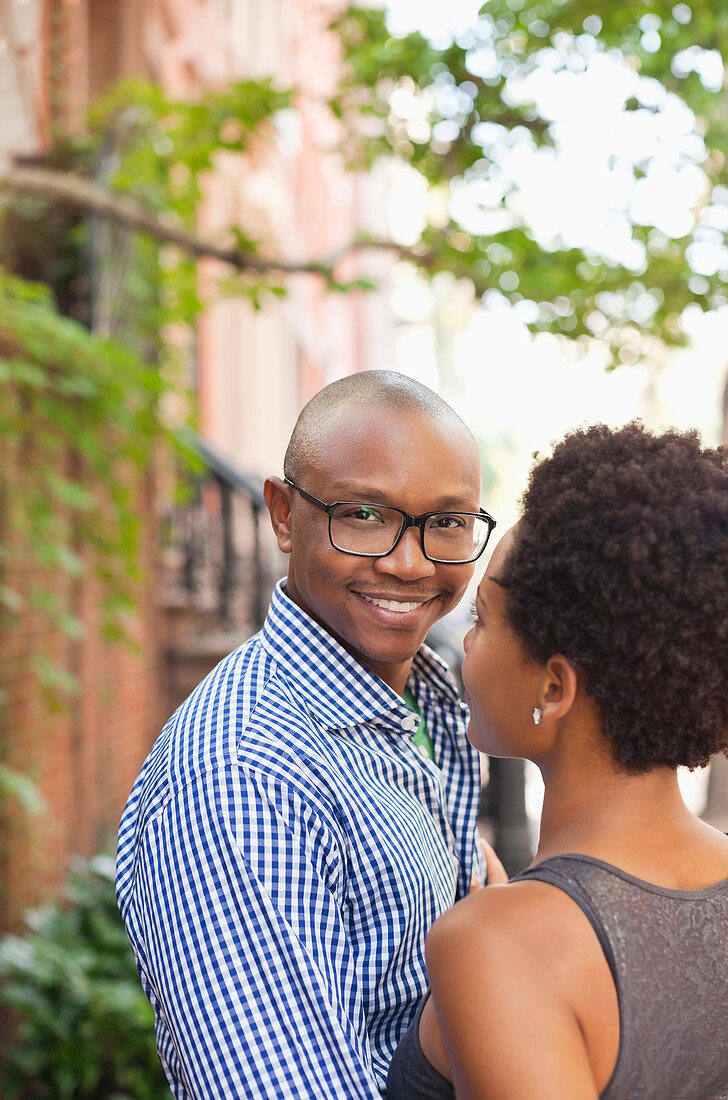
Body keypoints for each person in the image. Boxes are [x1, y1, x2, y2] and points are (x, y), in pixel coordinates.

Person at [116, 370, 501, 1099]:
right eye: (364, 514)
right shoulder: (244, 773)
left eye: (447, 523)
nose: (410, 562)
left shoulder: (422, 701)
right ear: (284, 514)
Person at [387, 421, 728, 1100]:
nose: (465, 646)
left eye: (482, 618)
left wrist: (505, 926)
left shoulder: (497, 945)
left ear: (554, 686)